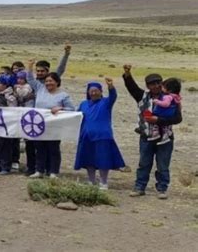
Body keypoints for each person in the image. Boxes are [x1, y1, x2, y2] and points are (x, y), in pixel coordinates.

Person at [123, 64, 182, 199]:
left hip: (165, 137)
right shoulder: (142, 96)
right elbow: (131, 87)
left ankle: (162, 189)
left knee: (163, 164)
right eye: (152, 84)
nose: (155, 86)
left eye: (158, 83)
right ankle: (139, 187)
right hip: (146, 136)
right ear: (147, 86)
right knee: (144, 163)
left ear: (162, 84)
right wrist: (127, 73)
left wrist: (158, 120)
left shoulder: (172, 98)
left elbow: (178, 118)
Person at [74, 79, 125, 190]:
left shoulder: (106, 102)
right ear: (88, 92)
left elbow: (113, 96)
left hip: (103, 136)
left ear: (101, 92)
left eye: (96, 91)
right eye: (91, 91)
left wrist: (111, 86)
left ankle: (103, 182)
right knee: (89, 161)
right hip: (86, 136)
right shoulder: (83, 104)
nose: (93, 93)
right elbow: (75, 116)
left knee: (103, 160)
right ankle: (91, 181)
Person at [27, 66, 75, 178]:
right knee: (39, 148)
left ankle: (53, 171)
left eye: (51, 81)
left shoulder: (63, 95)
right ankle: (39, 170)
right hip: (39, 125)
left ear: (57, 82)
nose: (48, 83)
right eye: (47, 81)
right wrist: (30, 66)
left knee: (53, 149)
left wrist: (61, 109)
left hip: (54, 126)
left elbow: (72, 109)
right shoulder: (40, 88)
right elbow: (29, 79)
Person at [0, 75, 17, 175]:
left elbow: (12, 110)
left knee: (5, 146)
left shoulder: (10, 97)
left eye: (0, 83)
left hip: (6, 125)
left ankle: (6, 166)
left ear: (5, 85)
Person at [149, 78, 181, 145]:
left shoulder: (167, 96)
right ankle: (164, 134)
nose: (161, 88)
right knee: (165, 127)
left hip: (163, 113)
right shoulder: (176, 96)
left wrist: (157, 101)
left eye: (163, 87)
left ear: (169, 90)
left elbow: (166, 104)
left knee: (152, 116)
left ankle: (155, 132)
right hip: (170, 113)